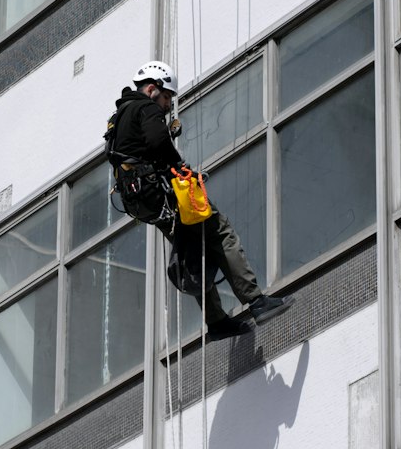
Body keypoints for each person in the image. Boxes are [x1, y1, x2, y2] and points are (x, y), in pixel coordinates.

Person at [107, 60, 290, 340]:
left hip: (143, 202)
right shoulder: (146, 108)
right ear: (153, 90)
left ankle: (216, 322)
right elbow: (158, 143)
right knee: (220, 232)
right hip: (161, 192)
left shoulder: (118, 118)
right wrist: (179, 167)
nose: (168, 106)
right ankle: (256, 302)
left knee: (192, 251)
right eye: (167, 97)